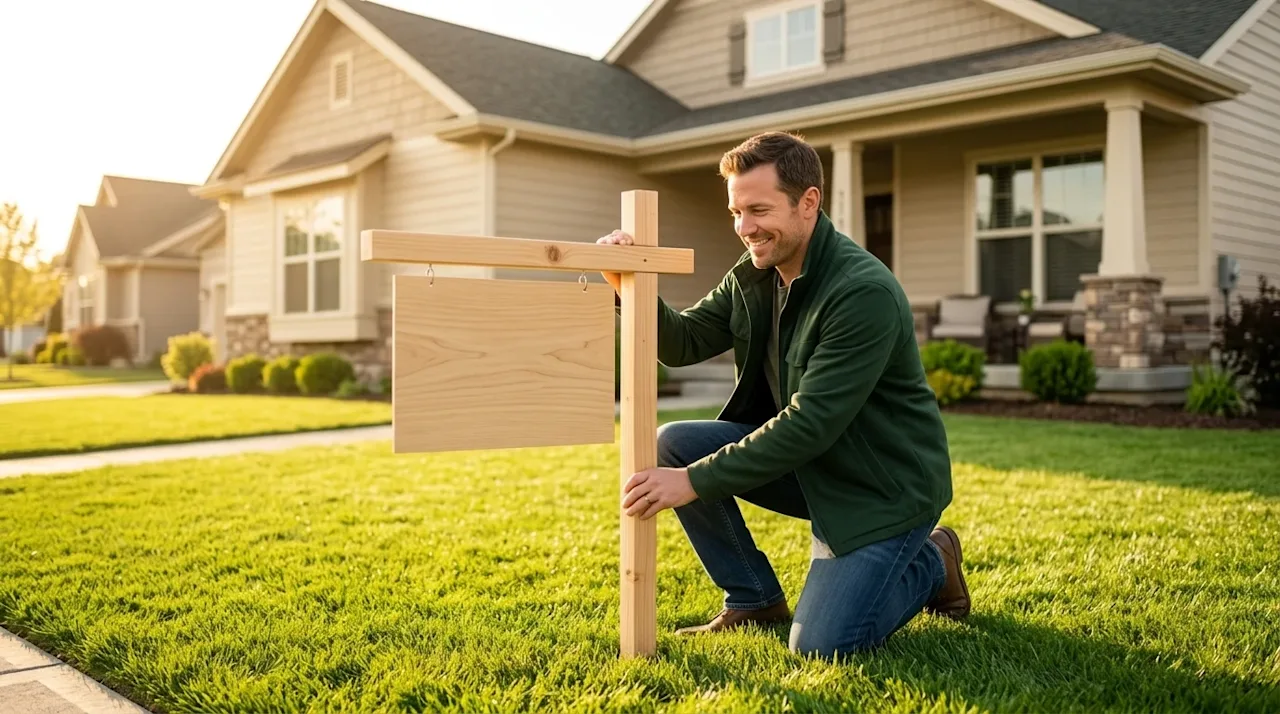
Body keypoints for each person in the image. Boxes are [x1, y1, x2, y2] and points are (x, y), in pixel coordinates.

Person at [597, 131, 970, 659]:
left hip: (879, 490)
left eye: (758, 210)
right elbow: (681, 343)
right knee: (674, 442)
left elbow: (810, 424)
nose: (744, 228)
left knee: (824, 646)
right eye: (735, 211)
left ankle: (934, 559)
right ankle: (753, 598)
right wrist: (625, 284)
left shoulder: (862, 292)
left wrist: (693, 482)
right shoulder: (753, 276)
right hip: (811, 467)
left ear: (809, 202)